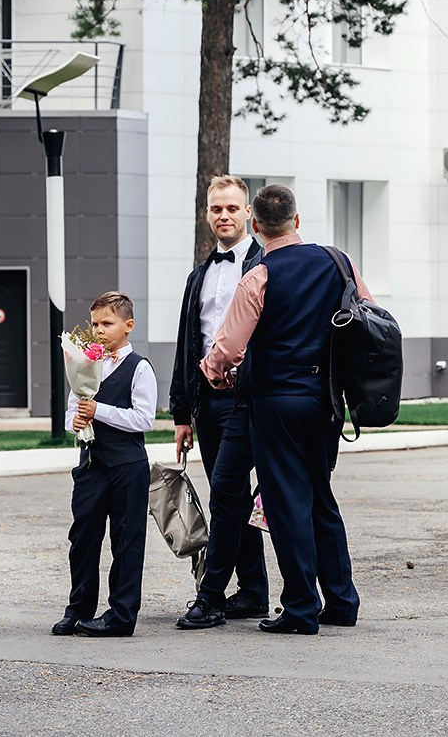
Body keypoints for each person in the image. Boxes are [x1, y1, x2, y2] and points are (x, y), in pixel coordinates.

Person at [201, 184, 373, 635]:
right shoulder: (340, 262)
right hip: (325, 400)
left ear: (255, 225)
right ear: (297, 220)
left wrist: (213, 371)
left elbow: (228, 348)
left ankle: (299, 608)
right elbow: (370, 315)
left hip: (275, 401)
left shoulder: (258, 275)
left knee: (286, 502)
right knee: (320, 495)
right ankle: (341, 601)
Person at [169, 175, 270, 629]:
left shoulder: (269, 264)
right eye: (216, 209)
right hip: (208, 402)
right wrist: (182, 413)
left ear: (248, 213)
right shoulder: (200, 276)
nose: (224, 216)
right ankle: (252, 591)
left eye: (232, 208)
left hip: (252, 399)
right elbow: (187, 344)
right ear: (207, 214)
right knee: (229, 496)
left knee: (229, 496)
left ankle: (210, 596)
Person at [52, 291, 157, 638]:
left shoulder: (139, 366)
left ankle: (121, 615)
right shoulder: (84, 364)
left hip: (128, 465)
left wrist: (101, 412)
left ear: (128, 326)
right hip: (92, 464)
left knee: (126, 539)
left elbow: (145, 418)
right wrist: (76, 423)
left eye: (107, 323)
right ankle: (78, 608)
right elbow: (71, 411)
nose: (99, 330)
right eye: (95, 323)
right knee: (82, 537)